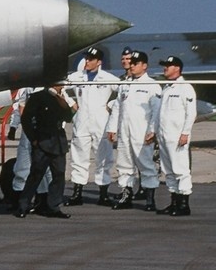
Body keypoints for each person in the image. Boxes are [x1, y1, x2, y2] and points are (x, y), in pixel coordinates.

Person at [65, 46, 119, 206]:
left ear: (99, 62)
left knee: (104, 158)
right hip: (81, 122)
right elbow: (59, 88)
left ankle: (103, 194)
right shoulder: (77, 76)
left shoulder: (107, 78)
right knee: (78, 158)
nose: (87, 61)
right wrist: (71, 102)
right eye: (87, 58)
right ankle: (77, 193)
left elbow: (125, 93)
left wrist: (111, 103)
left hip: (101, 123)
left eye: (91, 59)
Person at [107, 51, 161, 211]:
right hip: (125, 131)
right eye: (131, 63)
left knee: (146, 164)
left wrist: (153, 130)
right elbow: (117, 107)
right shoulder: (125, 84)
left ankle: (150, 198)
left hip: (141, 131)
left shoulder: (152, 85)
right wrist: (111, 127)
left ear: (144, 66)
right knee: (124, 164)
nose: (132, 66)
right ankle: (126, 195)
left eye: (135, 63)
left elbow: (156, 111)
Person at [16, 83, 75, 219]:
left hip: (58, 141)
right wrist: (33, 138)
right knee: (36, 174)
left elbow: (68, 117)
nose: (61, 86)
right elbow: (26, 119)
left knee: (59, 175)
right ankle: (23, 205)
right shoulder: (38, 97)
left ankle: (53, 206)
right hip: (42, 140)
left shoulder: (62, 99)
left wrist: (61, 99)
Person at [155, 56, 197, 216]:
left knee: (181, 170)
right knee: (169, 170)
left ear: (177, 68)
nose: (165, 68)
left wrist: (185, 133)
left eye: (168, 65)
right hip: (165, 136)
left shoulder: (185, 88)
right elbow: (160, 114)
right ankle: (174, 202)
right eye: (164, 65)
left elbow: (191, 113)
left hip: (178, 136)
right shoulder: (166, 88)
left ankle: (184, 204)